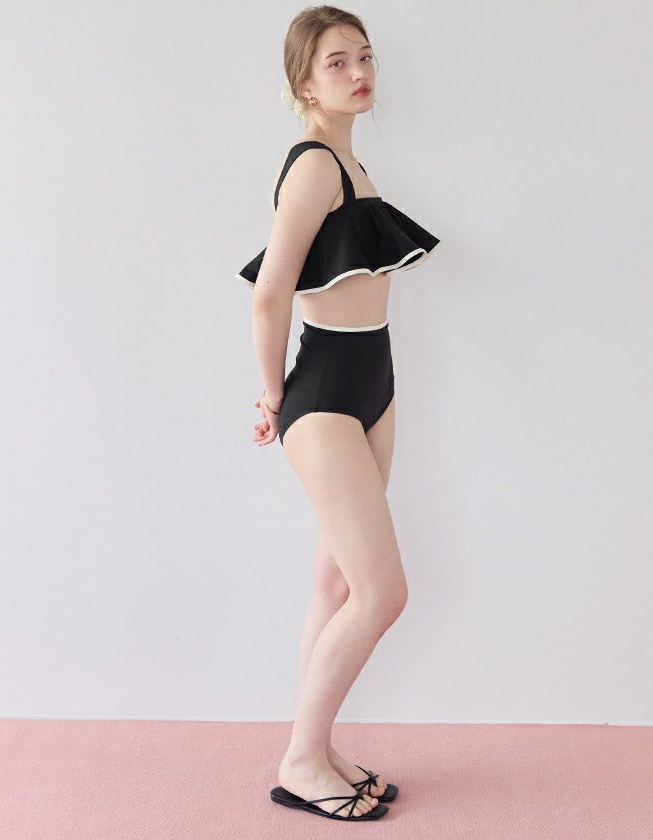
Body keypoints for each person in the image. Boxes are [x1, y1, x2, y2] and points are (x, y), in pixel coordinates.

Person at [236, 5, 441, 823]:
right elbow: (270, 294)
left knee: (336, 580)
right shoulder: (316, 166)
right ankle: (300, 760)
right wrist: (271, 394)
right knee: (382, 593)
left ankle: (316, 749)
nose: (359, 73)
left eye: (365, 56)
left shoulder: (355, 167)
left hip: (371, 383)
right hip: (324, 394)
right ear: (303, 82)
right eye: (336, 63)